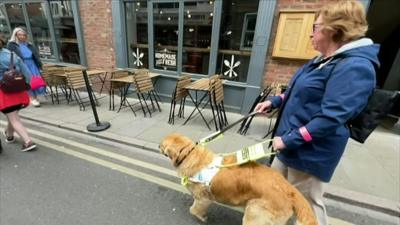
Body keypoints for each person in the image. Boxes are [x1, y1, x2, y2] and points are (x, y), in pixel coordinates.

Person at [254, 1, 379, 225]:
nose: (310, 33)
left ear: (332, 29)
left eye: (315, 27)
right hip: (287, 144)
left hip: (309, 154)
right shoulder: (321, 60)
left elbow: (331, 119)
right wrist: (274, 102)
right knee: (273, 193)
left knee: (307, 208)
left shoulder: (355, 67)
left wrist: (289, 139)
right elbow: (298, 93)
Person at [0, 34, 37, 152]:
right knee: (13, 115)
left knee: (14, 118)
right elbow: (26, 72)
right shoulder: (10, 54)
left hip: (5, 92)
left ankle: (28, 141)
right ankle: (9, 135)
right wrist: (27, 85)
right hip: (19, 91)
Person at [7, 27, 44, 107]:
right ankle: (32, 98)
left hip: (32, 64)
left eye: (24, 35)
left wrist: (39, 65)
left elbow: (35, 55)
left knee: (36, 80)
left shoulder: (29, 44)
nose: (22, 36)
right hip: (21, 65)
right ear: (15, 35)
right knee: (27, 81)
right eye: (20, 35)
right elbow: (10, 57)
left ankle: (36, 96)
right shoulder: (11, 45)